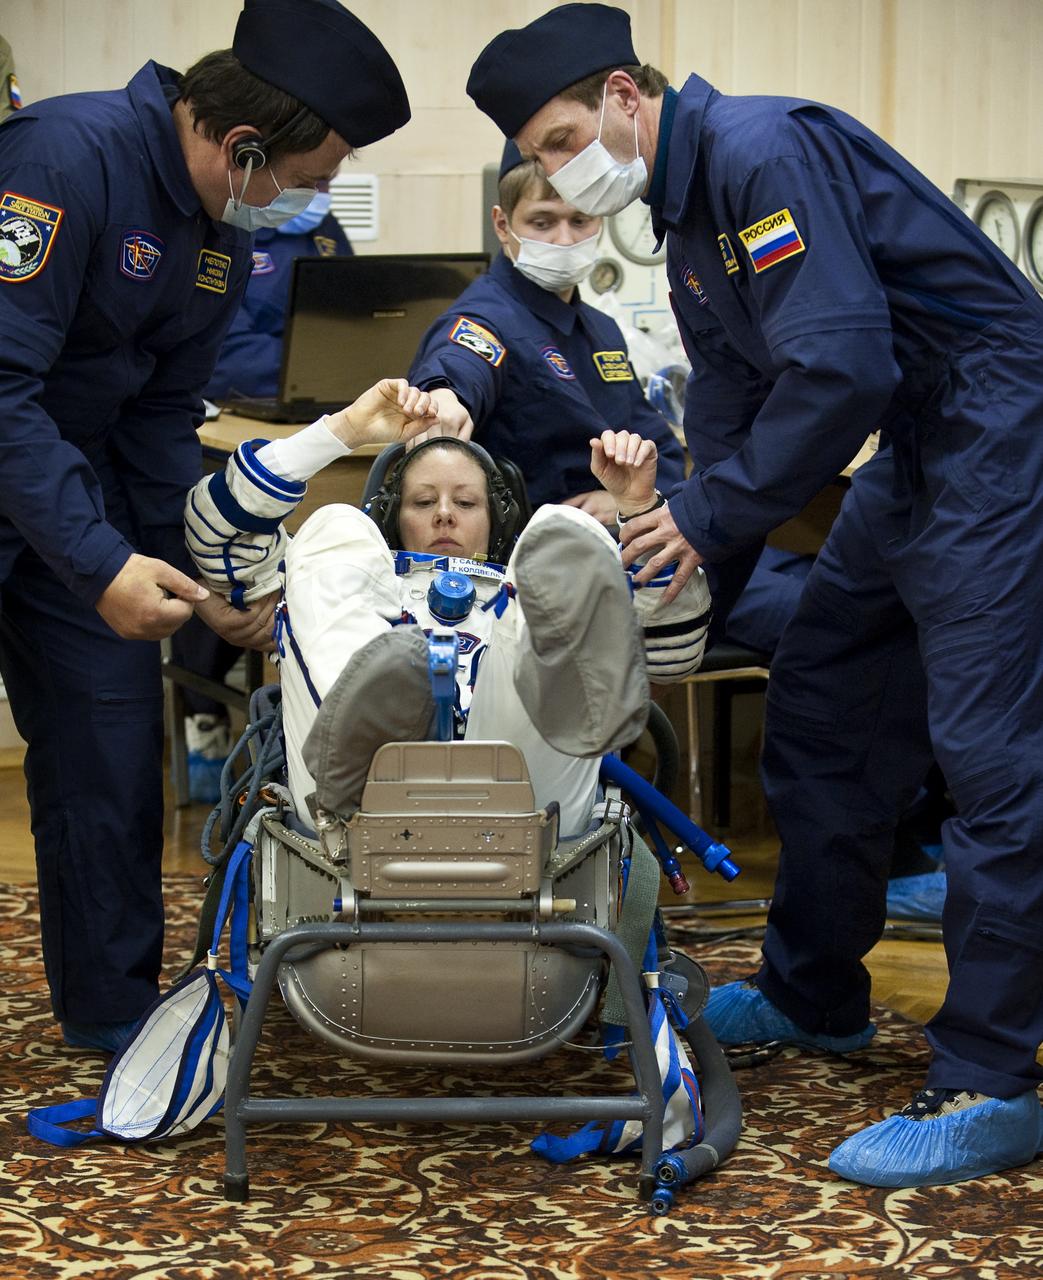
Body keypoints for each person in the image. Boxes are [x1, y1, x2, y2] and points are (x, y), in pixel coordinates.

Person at [464, 2, 1043, 1187]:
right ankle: (811, 990)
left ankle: (987, 1076)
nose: (559, 161)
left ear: (628, 94)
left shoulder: (757, 150)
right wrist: (672, 590)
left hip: (998, 422)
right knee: (822, 687)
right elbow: (725, 419)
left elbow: (840, 367)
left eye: (567, 131)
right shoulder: (686, 225)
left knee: (987, 755)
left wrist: (712, 517)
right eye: (537, 154)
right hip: (919, 439)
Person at [0, 0, 410, 1054]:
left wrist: (207, 577)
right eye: (307, 181)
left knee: (109, 750)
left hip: (75, 501)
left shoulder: (216, 231)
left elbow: (156, 418)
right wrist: (100, 564)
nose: (308, 205)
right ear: (240, 148)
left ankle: (113, 1017)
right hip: (29, 467)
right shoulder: (64, 157)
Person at [184, 382, 712, 833]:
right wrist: (344, 429)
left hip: (530, 797)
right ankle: (369, 725)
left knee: (566, 532)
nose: (443, 514)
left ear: (497, 522)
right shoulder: (348, 577)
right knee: (332, 526)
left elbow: (676, 650)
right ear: (393, 518)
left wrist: (638, 508)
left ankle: (423, 702)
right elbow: (219, 536)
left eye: (465, 503)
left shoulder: (527, 587)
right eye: (421, 502)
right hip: (351, 804)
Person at [173, 187, 354, 803]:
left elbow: (358, 316)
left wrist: (336, 368)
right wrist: (315, 366)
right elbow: (226, 351)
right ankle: (205, 708)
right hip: (242, 424)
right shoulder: (227, 233)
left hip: (320, 418)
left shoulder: (325, 231)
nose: (319, 191)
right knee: (226, 546)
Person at [407, 140, 685, 524]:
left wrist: (631, 498)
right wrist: (445, 396)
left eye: (580, 220)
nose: (565, 239)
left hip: (616, 535)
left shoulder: (601, 331)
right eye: (542, 222)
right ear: (503, 225)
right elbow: (461, 358)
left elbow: (657, 446)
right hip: (527, 551)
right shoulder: (489, 315)